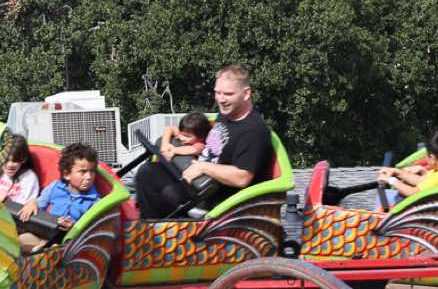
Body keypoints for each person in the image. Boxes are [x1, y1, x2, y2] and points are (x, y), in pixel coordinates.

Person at [132, 64, 274, 218]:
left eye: (228, 94)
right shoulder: (226, 114)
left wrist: (204, 167)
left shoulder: (253, 130)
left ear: (246, 93)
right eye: (217, 92)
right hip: (197, 179)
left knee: (164, 190)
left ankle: (157, 228)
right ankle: (149, 224)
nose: (221, 99)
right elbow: (196, 137)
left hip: (214, 199)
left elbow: (242, 177)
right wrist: (169, 145)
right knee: (147, 171)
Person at [18, 143, 104, 253]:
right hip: (45, 233)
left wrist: (74, 228)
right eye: (83, 172)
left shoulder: (95, 201)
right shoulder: (55, 187)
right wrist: (32, 202)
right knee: (19, 241)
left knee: (49, 250)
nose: (89, 177)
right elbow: (39, 205)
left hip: (66, 243)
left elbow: (91, 233)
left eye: (92, 171)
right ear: (67, 174)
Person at [377, 127, 438, 201]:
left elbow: (413, 193)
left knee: (384, 200)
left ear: (432, 158)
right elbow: (420, 180)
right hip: (425, 208)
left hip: (420, 212)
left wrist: (391, 180)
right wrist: (397, 172)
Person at [0, 134, 40, 208]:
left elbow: (23, 208)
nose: (9, 164)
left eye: (14, 161)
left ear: (23, 159)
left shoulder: (29, 178)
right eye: (6, 160)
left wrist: (6, 200)